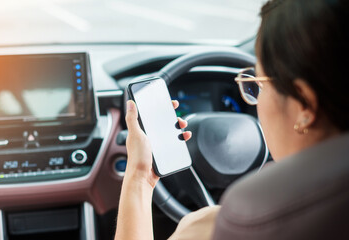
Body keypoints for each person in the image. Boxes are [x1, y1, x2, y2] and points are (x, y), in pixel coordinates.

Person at [115, 0, 349, 239]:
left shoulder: (246, 220)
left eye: (258, 83)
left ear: (304, 104)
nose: (255, 96)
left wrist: (140, 178)